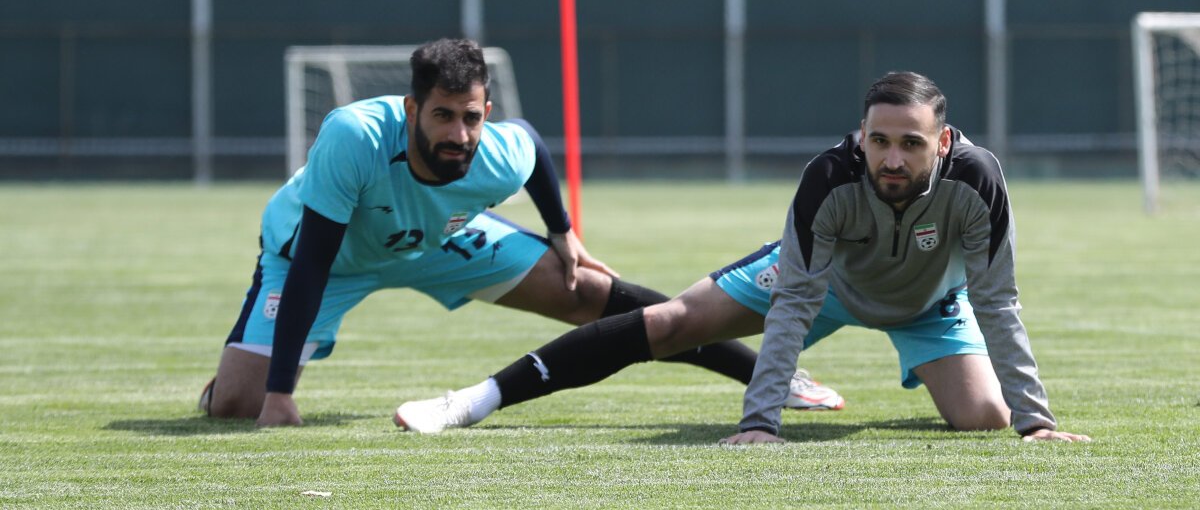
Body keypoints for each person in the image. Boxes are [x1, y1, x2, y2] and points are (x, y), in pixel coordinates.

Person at [395, 71, 1088, 445]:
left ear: (943, 142)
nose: (892, 158)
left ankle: (995, 409)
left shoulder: (978, 179)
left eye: (911, 143)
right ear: (862, 135)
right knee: (670, 323)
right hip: (825, 284)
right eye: (879, 140)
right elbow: (795, 298)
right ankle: (477, 400)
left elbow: (996, 299)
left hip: (930, 305)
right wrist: (759, 424)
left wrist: (1037, 421)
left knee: (985, 419)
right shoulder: (830, 177)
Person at [198, 38, 766, 427]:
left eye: (471, 118)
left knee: (584, 289)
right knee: (238, 405)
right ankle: (225, 384)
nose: (459, 135)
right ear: (411, 109)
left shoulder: (495, 151)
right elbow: (313, 264)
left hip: (435, 242)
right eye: (442, 116)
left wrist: (562, 231)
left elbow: (532, 145)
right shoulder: (354, 137)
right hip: (331, 259)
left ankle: (763, 374)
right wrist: (279, 394)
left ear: (485, 112)